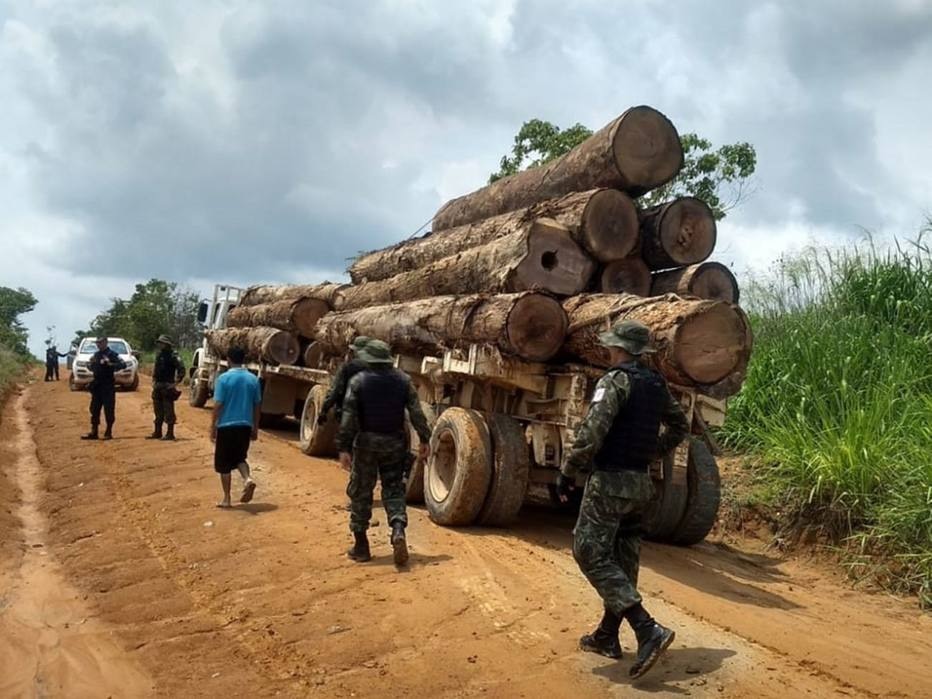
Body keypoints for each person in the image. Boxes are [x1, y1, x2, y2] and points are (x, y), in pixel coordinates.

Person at [556, 320, 689, 679]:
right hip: (640, 488)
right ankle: (607, 636)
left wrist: (569, 471)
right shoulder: (656, 385)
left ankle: (647, 629)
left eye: (612, 346)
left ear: (619, 349)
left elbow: (592, 432)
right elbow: (680, 427)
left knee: (588, 551)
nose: (609, 350)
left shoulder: (615, 381)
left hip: (610, 483)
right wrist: (651, 452)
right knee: (624, 560)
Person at [337, 340, 431, 565]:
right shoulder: (404, 381)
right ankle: (398, 529)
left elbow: (348, 417)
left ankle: (361, 547)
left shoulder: (358, 381)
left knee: (361, 492)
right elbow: (416, 413)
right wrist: (425, 438)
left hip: (366, 443)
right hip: (394, 443)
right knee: (394, 489)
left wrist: (343, 447)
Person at [210, 346, 261, 508]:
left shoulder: (224, 379)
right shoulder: (253, 380)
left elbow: (218, 404)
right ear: (243, 360)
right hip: (245, 425)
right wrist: (255, 427)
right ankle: (248, 479)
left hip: (226, 426)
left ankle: (227, 498)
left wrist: (213, 425)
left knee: (223, 464)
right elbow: (257, 406)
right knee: (240, 457)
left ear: (229, 360)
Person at [318, 335, 371, 425]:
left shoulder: (348, 368)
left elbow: (336, 390)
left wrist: (324, 410)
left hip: (350, 414)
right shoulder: (379, 369)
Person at [81, 337, 126, 440]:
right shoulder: (96, 355)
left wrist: (110, 363)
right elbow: (91, 368)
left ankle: (108, 431)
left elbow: (123, 365)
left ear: (105, 343)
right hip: (97, 386)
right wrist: (90, 364)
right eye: (97, 343)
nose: (98, 345)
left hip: (108, 386)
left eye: (100, 343)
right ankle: (94, 431)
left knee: (109, 409)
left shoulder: (112, 354)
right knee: (94, 409)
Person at [147, 334, 186, 441]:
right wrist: (154, 381)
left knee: (168, 410)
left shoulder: (174, 355)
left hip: (167, 386)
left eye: (162, 343)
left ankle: (170, 433)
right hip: (158, 385)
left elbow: (182, 369)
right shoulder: (159, 354)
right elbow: (156, 369)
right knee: (157, 410)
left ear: (167, 344)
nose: (160, 344)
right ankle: (157, 432)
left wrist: (175, 383)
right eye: (159, 342)